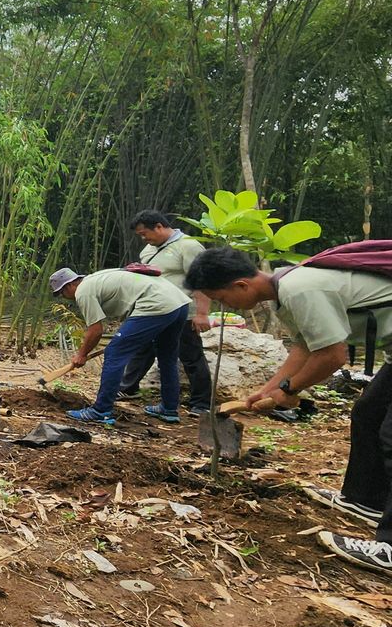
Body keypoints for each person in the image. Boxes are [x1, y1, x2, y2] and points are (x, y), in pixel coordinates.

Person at [184, 246, 392, 577]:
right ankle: (364, 499)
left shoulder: (300, 288)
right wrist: (267, 391)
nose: (224, 306)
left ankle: (389, 547)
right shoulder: (286, 290)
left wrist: (288, 391)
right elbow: (305, 348)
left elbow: (332, 356)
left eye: (221, 298)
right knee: (369, 415)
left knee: (390, 435)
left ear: (241, 285)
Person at [50, 266, 191, 425]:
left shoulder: (83, 291)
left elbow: (95, 331)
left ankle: (100, 411)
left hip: (156, 305)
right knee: (167, 357)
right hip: (179, 303)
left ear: (69, 285)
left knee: (114, 353)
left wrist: (81, 354)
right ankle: (169, 409)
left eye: (61, 293)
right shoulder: (97, 278)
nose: (64, 297)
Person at [117, 210, 213, 415]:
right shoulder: (148, 250)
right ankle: (127, 388)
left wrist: (202, 313)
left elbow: (202, 280)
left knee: (191, 355)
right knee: (143, 349)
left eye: (145, 233)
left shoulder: (188, 246)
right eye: (140, 235)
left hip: (182, 311)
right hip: (154, 311)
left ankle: (202, 403)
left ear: (159, 226)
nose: (144, 238)